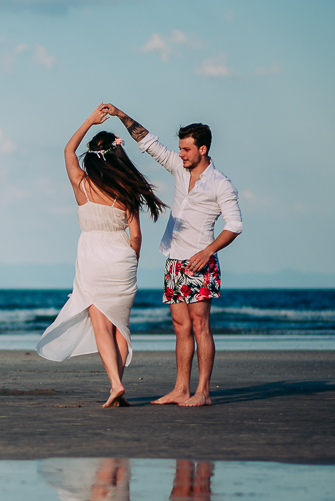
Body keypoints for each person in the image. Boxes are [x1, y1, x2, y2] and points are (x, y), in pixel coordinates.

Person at [99, 104, 243, 407]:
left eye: (187, 149)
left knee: (200, 324)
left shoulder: (220, 183)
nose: (181, 154)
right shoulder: (179, 168)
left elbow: (235, 226)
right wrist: (121, 115)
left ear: (203, 149)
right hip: (174, 259)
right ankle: (180, 389)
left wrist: (208, 252)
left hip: (200, 260)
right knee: (180, 326)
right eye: (180, 148)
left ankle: (202, 391)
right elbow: (148, 142)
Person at [36, 108, 167, 408]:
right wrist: (130, 263)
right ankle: (117, 387)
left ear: (93, 156)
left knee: (101, 325)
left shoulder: (82, 185)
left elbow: (69, 149)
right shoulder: (128, 190)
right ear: (117, 155)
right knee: (120, 325)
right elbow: (136, 236)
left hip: (93, 259)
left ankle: (116, 385)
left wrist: (89, 121)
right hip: (122, 260)